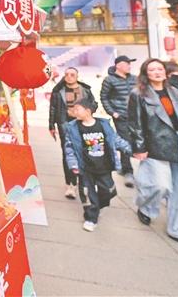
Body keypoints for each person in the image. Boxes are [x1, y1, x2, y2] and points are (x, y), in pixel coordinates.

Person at [128, 58, 178, 251]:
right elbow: (136, 123)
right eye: (152, 69)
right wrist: (139, 147)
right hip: (156, 143)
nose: (157, 72)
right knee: (159, 185)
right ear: (146, 74)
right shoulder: (138, 94)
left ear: (165, 71)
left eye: (160, 68)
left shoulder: (176, 91)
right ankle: (146, 207)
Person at [63, 97, 131, 232]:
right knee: (87, 193)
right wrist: (73, 165)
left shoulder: (103, 125)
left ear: (88, 111)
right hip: (85, 168)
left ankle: (98, 205)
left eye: (77, 109)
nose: (74, 112)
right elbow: (69, 148)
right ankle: (91, 218)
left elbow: (115, 140)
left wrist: (130, 149)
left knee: (109, 191)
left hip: (103, 166)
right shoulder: (73, 128)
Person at [49, 67, 98, 199]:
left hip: (82, 124)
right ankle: (71, 184)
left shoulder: (85, 90)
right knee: (68, 153)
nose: (69, 77)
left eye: (72, 74)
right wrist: (51, 125)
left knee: (84, 152)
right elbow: (53, 108)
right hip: (64, 124)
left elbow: (94, 104)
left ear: (77, 76)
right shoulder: (58, 91)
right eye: (67, 74)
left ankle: (84, 182)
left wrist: (87, 112)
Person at [100, 55, 137, 188]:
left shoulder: (134, 79)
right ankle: (128, 171)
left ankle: (123, 165)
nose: (129, 66)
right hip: (121, 117)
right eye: (127, 63)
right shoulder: (109, 80)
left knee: (137, 141)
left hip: (136, 116)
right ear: (118, 65)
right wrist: (113, 113)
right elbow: (104, 97)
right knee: (124, 141)